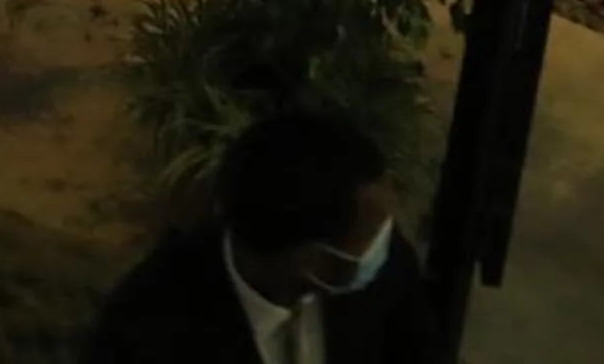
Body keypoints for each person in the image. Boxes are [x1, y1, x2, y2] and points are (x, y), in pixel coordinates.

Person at [83, 109, 435, 363]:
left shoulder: (389, 273)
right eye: (372, 232)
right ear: (311, 261)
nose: (386, 241)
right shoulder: (145, 331)